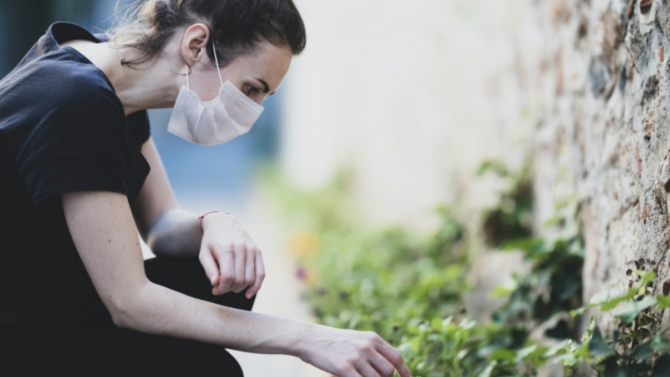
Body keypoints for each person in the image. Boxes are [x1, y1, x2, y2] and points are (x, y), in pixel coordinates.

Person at [0, 0, 411, 376]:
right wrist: (307, 338)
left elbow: (160, 224)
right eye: (252, 88)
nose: (252, 110)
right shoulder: (78, 101)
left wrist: (216, 223)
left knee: (224, 280)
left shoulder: (114, 78)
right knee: (209, 369)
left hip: (51, 299)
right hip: (18, 331)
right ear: (196, 45)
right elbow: (129, 301)